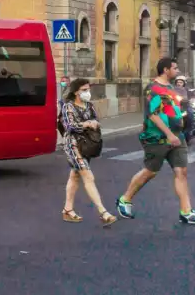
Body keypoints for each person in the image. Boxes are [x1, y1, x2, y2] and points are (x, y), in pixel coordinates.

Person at [117, 58, 195, 225]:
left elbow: (171, 110)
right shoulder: (153, 89)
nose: (178, 70)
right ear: (166, 70)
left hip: (177, 136)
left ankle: (186, 212)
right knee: (150, 171)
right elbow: (153, 114)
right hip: (157, 138)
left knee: (181, 172)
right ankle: (125, 199)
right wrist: (169, 134)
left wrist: (180, 125)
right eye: (175, 68)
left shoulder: (171, 88)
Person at [59, 79, 117, 226]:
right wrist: (86, 124)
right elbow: (69, 126)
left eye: (88, 89)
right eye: (84, 90)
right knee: (88, 176)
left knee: (75, 176)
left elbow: (96, 121)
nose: (87, 92)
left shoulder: (89, 106)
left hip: (87, 145)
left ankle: (68, 210)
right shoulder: (68, 107)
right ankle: (103, 212)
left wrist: (94, 123)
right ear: (76, 91)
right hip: (73, 145)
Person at [175, 76, 195, 144]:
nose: (179, 83)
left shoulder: (187, 89)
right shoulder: (173, 89)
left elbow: (192, 95)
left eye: (180, 82)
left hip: (186, 106)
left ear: (184, 83)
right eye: (177, 82)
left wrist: (192, 97)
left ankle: (189, 134)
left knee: (190, 115)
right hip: (176, 106)